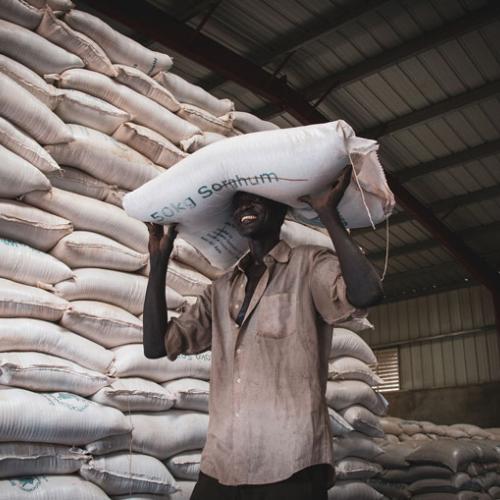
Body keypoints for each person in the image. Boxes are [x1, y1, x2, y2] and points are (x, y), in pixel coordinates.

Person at [143, 166, 383, 500]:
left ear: (281, 209)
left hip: (291, 460)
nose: (245, 208)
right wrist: (158, 263)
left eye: (257, 201)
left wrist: (327, 213)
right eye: (239, 204)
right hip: (223, 462)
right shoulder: (221, 289)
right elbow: (156, 346)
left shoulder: (308, 265)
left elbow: (367, 294)